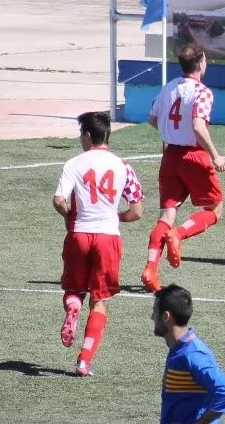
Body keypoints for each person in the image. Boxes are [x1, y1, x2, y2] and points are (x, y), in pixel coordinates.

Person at [53, 111, 144, 376]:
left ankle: (73, 307)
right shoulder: (123, 166)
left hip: (79, 234)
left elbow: (59, 200)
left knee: (74, 289)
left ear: (87, 135)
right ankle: (84, 361)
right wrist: (115, 217)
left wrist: (70, 215)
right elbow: (137, 211)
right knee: (100, 299)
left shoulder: (74, 163)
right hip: (108, 237)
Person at [141, 43, 225, 293]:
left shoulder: (169, 87)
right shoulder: (202, 92)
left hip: (170, 156)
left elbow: (152, 118)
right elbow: (198, 126)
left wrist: (170, 133)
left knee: (166, 215)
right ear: (200, 64)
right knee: (215, 209)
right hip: (193, 155)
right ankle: (178, 234)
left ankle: (150, 268)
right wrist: (215, 155)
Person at [154, 284, 225, 423]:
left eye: (155, 312)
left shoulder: (192, 354)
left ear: (166, 317)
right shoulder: (179, 349)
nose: (152, 317)